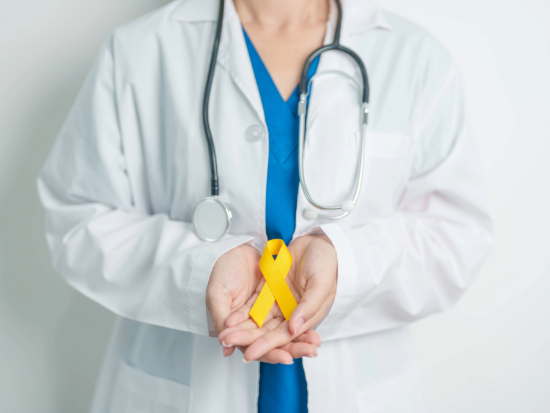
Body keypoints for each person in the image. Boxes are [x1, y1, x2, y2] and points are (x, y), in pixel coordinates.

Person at [37, 0, 494, 412]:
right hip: (185, 387)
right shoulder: (141, 50)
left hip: (356, 388)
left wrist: (347, 263)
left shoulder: (414, 58)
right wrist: (200, 268)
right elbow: (77, 217)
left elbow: (458, 233)